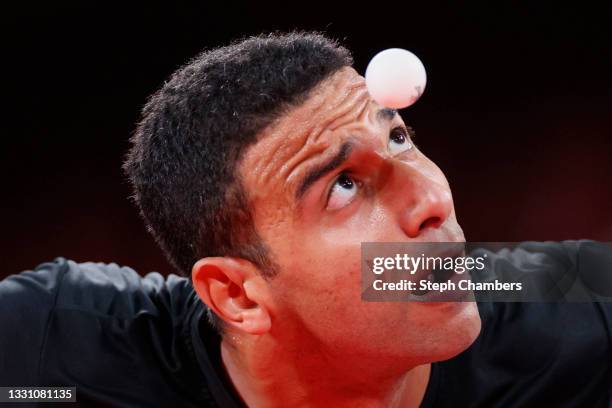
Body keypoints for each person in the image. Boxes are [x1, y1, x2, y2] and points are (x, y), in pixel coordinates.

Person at [0, 32, 610, 407]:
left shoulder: (584, 312)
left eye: (398, 138)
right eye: (343, 186)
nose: (432, 199)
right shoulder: (52, 348)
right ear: (237, 294)